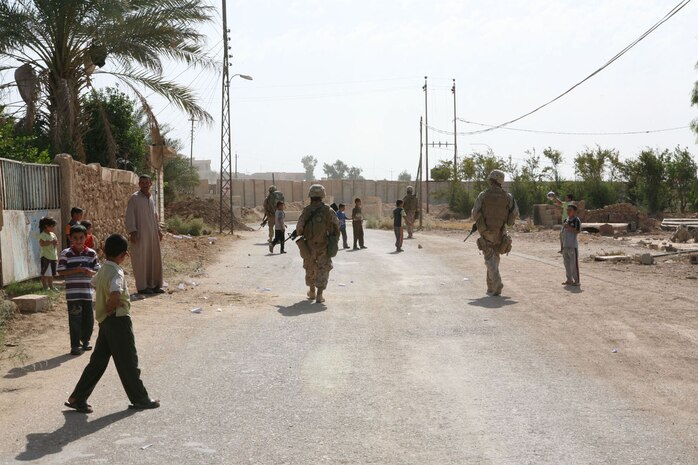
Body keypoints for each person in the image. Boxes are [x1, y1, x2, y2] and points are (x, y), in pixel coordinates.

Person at [64, 234, 160, 414]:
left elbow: (93, 283)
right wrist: (111, 305)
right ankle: (140, 398)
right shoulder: (116, 272)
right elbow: (115, 292)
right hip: (118, 320)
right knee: (128, 361)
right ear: (124, 255)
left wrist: (104, 304)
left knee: (98, 362)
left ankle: (78, 397)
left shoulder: (102, 270)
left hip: (105, 322)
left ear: (104, 251)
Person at [471, 170, 519, 296]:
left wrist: (480, 223)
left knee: (488, 257)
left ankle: (496, 283)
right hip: (501, 230)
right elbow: (514, 214)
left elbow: (475, 213)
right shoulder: (508, 196)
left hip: (486, 231)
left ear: (491, 180)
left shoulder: (483, 195)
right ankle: (490, 287)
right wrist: (507, 221)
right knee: (495, 256)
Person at [58, 225, 100, 355]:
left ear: (86, 237)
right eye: (75, 238)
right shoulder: (66, 253)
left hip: (87, 293)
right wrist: (75, 270)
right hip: (73, 294)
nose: (78, 240)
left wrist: (90, 272)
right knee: (75, 319)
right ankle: (75, 345)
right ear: (70, 238)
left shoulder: (91, 253)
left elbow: (97, 271)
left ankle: (86, 340)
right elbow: (60, 271)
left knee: (88, 319)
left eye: (81, 237)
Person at [295, 184, 340, 303]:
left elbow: (299, 227)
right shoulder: (328, 210)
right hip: (324, 245)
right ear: (322, 196)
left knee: (310, 266)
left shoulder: (306, 210)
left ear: (310, 196)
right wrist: (334, 240)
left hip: (309, 245)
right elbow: (336, 225)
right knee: (323, 268)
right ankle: (320, 294)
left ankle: (312, 292)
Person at [125, 175, 164, 295]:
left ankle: (154, 285)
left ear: (151, 183)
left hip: (152, 234)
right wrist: (132, 232)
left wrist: (158, 230)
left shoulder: (151, 198)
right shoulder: (134, 198)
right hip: (140, 235)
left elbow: (154, 216)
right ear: (139, 184)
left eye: (147, 182)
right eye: (142, 183)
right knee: (141, 260)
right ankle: (142, 287)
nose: (145, 185)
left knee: (154, 259)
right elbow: (129, 216)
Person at [562, 204, 581, 287]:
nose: (568, 211)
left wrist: (569, 227)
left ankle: (576, 281)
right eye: (567, 210)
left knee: (573, 264)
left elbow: (577, 231)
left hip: (573, 245)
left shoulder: (576, 220)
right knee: (566, 264)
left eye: (570, 210)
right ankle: (569, 279)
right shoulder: (565, 220)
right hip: (565, 245)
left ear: (574, 211)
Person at [38, 217, 59, 292]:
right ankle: (45, 286)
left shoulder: (53, 234)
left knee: (51, 274)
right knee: (45, 273)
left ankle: (51, 285)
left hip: (53, 256)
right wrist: (50, 242)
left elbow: (56, 242)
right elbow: (42, 244)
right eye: (52, 226)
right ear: (46, 226)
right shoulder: (43, 235)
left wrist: (55, 243)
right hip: (46, 257)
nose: (53, 228)